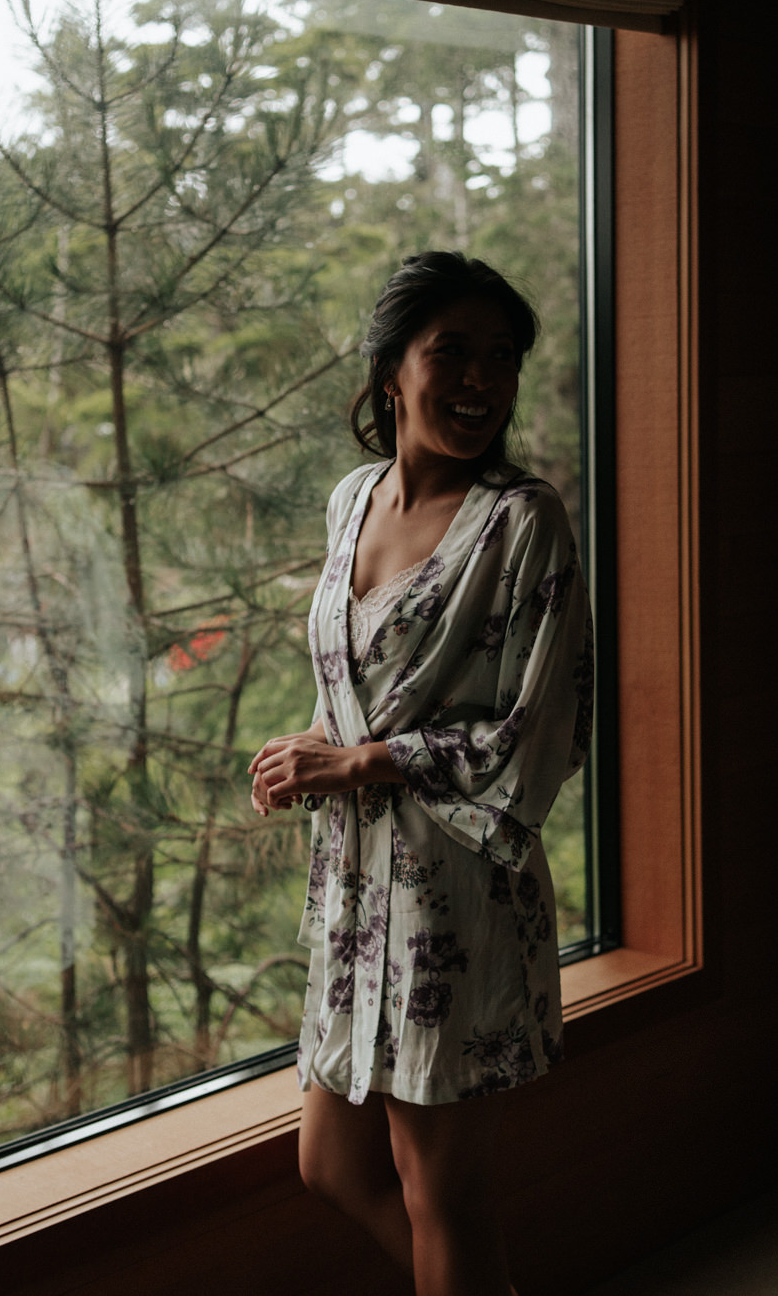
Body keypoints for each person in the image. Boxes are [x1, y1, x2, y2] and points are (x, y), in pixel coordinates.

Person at [247, 251, 593, 1296]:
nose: (481, 378)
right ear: (390, 368)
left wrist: (361, 758)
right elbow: (356, 675)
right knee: (332, 1165)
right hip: (352, 895)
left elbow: (539, 732)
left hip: (455, 899)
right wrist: (306, 753)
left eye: (501, 357)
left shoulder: (521, 522)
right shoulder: (352, 499)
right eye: (452, 352)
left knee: (440, 1187)